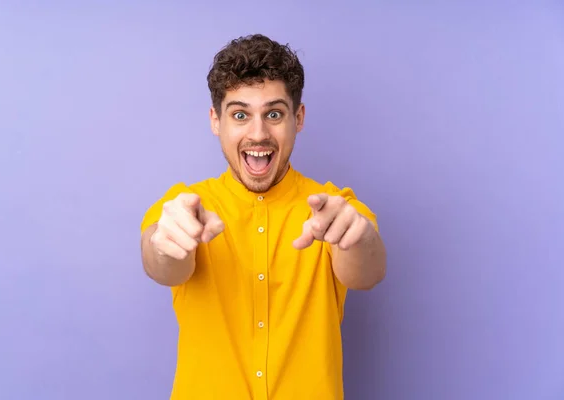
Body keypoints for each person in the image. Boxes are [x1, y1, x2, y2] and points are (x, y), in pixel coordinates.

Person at [140, 34, 386, 400]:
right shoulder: (184, 206)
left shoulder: (334, 208)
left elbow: (366, 274)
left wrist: (359, 237)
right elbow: (162, 266)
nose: (258, 134)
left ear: (297, 118)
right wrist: (166, 245)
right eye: (240, 115)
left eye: (274, 114)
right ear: (215, 120)